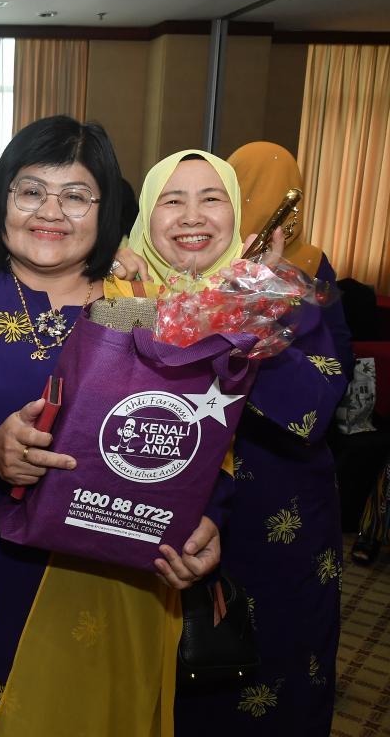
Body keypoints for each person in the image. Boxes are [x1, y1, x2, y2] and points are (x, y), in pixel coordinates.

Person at [0, 118, 223, 736]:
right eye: (31, 190)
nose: (51, 211)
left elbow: (204, 442)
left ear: (106, 209)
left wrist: (205, 526)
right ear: (2, 200)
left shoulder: (150, 311)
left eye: (76, 195)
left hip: (126, 583)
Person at [165, 144, 350, 736]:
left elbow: (315, 406)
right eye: (173, 200)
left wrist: (243, 307)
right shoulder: (128, 291)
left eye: (214, 197)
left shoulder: (286, 292)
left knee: (279, 669)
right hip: (169, 530)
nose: (194, 216)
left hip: (277, 514)